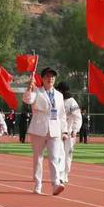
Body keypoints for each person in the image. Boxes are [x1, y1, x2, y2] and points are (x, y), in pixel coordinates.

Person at [23, 67, 67, 196]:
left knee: (54, 158)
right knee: (38, 158)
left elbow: (62, 114)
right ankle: (38, 184)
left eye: (52, 77)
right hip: (38, 129)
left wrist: (64, 130)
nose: (50, 79)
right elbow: (27, 100)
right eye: (48, 76)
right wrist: (29, 88)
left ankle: (56, 184)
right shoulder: (37, 92)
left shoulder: (59, 95)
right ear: (42, 79)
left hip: (54, 130)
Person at [56, 82, 82, 184]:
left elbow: (78, 117)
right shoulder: (57, 100)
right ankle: (58, 173)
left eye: (59, 89)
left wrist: (75, 130)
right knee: (58, 153)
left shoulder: (72, 102)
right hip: (57, 132)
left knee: (67, 154)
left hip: (69, 133)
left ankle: (65, 174)